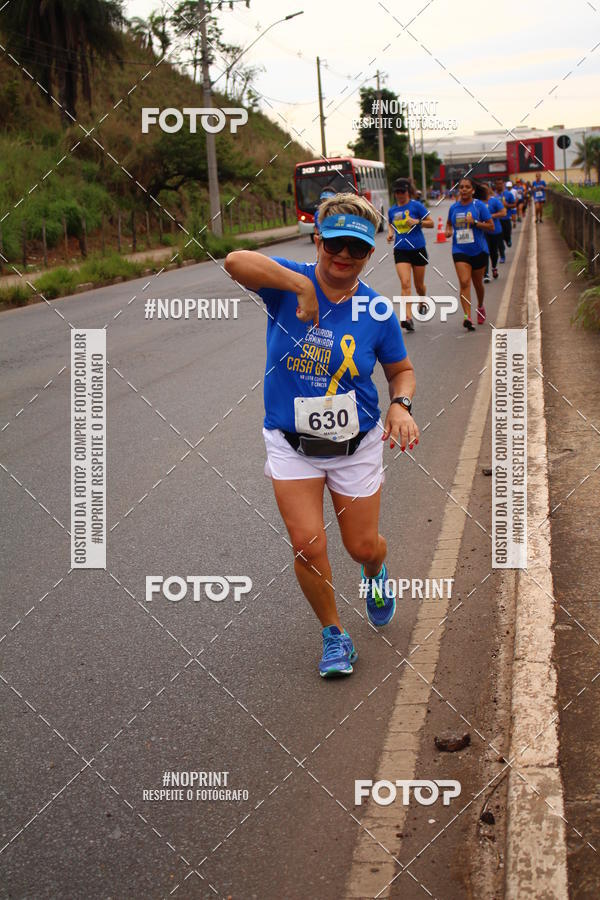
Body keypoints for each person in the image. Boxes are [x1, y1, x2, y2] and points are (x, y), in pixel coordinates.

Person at [224, 193, 419, 678]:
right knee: (307, 544)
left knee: (362, 547)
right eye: (334, 245)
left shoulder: (376, 311)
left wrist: (401, 404)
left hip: (356, 445)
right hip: (292, 443)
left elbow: (402, 370)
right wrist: (299, 286)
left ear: (369, 255)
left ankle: (375, 574)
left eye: (355, 249)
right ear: (318, 241)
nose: (343, 257)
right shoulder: (286, 284)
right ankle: (335, 635)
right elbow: (234, 261)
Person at [445, 176, 494, 330]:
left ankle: (480, 306)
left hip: (478, 250)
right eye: (461, 187)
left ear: (472, 190)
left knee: (477, 284)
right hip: (459, 250)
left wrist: (475, 223)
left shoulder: (479, 206)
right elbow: (448, 224)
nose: (464, 190)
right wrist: (448, 231)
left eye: (467, 187)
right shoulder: (454, 208)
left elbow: (491, 226)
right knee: (464, 282)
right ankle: (467, 316)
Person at [387, 177, 434, 332]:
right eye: (397, 192)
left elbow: (431, 222)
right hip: (401, 249)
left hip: (418, 249)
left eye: (402, 191)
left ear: (408, 192)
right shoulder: (392, 210)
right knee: (405, 283)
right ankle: (407, 317)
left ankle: (422, 300)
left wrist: (417, 222)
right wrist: (390, 233)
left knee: (419, 285)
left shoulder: (416, 206)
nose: (400, 194)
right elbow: (390, 224)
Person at [483, 183, 505, 282]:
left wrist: (491, 216)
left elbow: (503, 212)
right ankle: (486, 274)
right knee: (485, 252)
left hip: (495, 230)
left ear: (488, 190)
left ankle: (494, 268)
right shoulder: (477, 202)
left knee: (493, 252)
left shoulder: (494, 201)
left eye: (484, 189)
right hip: (483, 232)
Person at [495, 178, 515, 251]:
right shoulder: (493, 195)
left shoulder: (508, 194)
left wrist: (507, 205)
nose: (499, 185)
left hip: (506, 218)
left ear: (503, 184)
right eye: (497, 184)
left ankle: (508, 239)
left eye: (500, 184)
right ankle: (501, 251)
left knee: (507, 233)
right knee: (499, 236)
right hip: (497, 219)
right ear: (495, 185)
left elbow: (514, 204)